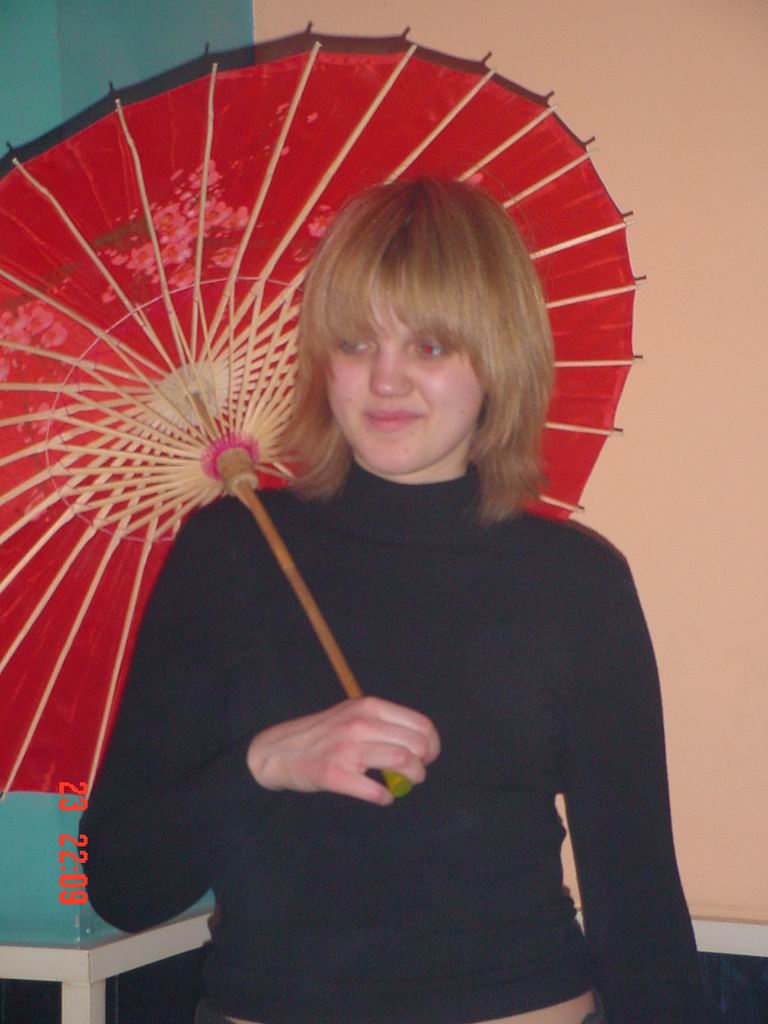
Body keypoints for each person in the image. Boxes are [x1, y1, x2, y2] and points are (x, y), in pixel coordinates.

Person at [81, 178, 712, 1024]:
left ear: (498, 359)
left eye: (430, 346)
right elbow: (118, 881)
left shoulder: (576, 583)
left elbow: (638, 904)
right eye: (355, 342)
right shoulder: (230, 551)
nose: (385, 380)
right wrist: (268, 763)